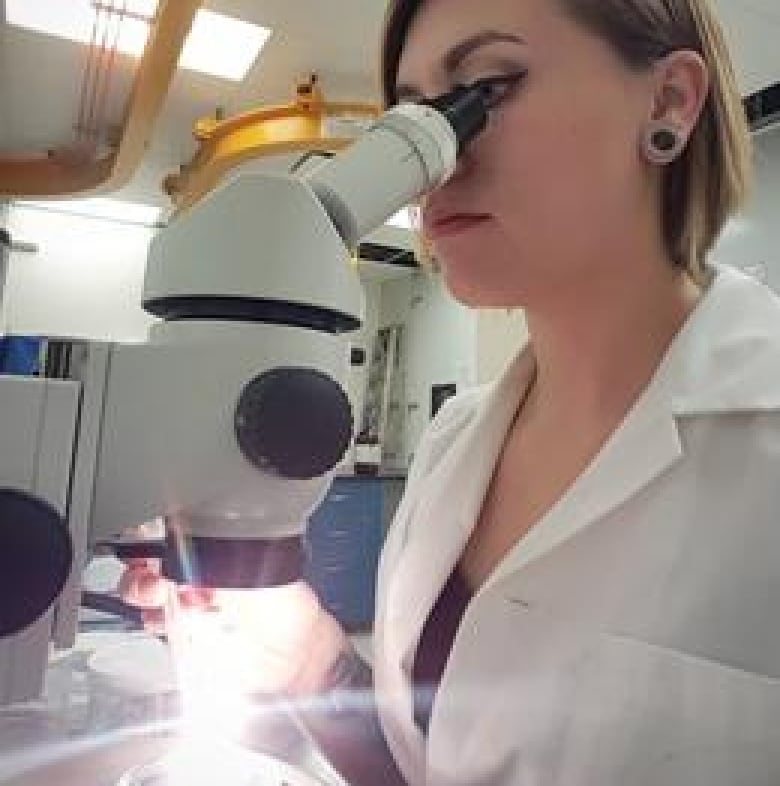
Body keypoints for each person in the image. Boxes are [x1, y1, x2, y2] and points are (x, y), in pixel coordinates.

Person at [123, 0, 780, 783]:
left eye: (487, 88)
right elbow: (435, 763)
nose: (438, 159)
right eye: (411, 117)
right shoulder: (455, 440)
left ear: (668, 103)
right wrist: (317, 664)